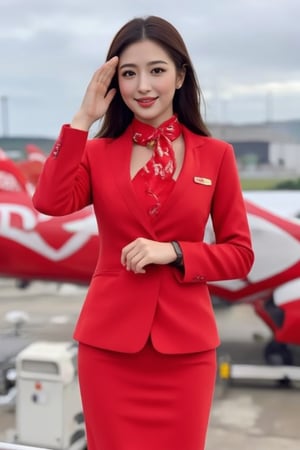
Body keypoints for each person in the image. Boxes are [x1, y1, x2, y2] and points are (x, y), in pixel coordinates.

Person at [33, 15, 254, 450]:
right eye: (129, 73)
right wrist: (82, 119)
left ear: (180, 75)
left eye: (156, 70)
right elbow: (49, 202)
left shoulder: (216, 156)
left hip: (186, 351)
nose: (143, 86)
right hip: (109, 347)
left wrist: (173, 251)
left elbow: (240, 254)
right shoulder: (98, 152)